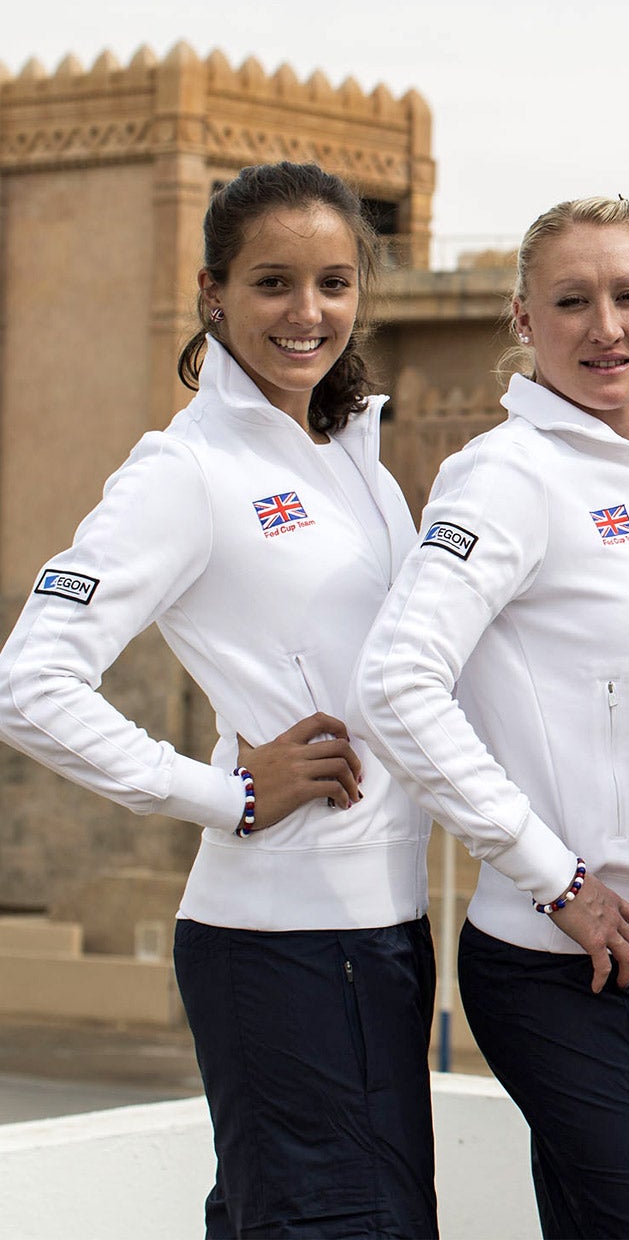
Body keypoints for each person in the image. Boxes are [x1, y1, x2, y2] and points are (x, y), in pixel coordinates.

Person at [0, 162, 435, 1237]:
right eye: (273, 282)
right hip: (278, 939)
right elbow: (31, 681)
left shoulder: (357, 464)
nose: (307, 312)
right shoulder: (182, 472)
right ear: (212, 292)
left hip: (383, 929)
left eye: (333, 283)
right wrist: (222, 794)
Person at [353, 196, 629, 1240]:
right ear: (522, 319)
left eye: (628, 297)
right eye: (571, 301)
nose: (605, 326)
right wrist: (555, 878)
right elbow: (398, 681)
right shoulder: (505, 477)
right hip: (568, 965)